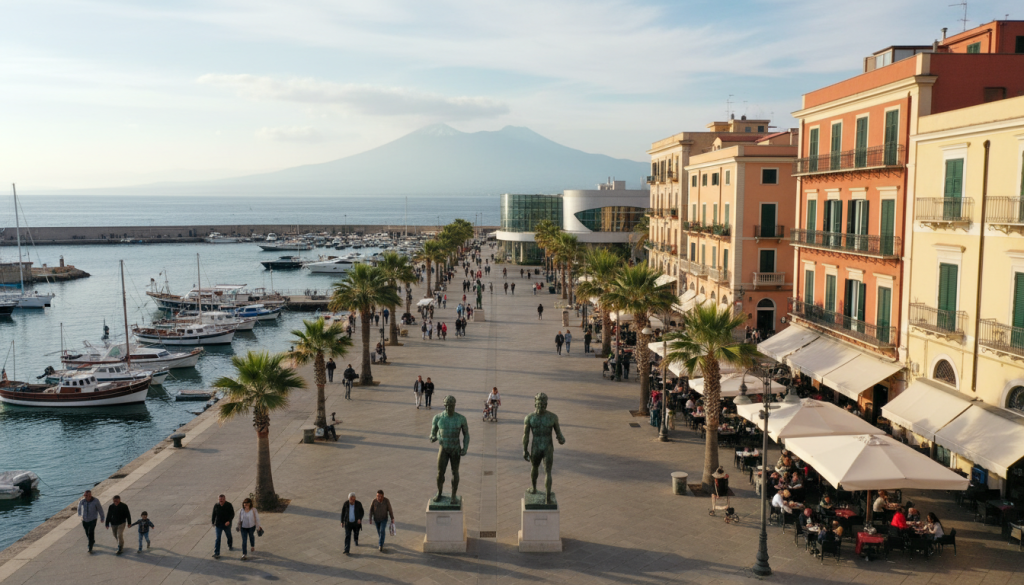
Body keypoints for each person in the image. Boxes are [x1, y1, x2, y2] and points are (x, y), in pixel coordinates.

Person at [77, 489, 105, 553]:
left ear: (91, 495)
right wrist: (80, 515)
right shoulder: (82, 501)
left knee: (90, 532)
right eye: (86, 495)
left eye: (89, 495)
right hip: (84, 519)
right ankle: (92, 540)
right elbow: (79, 508)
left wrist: (102, 517)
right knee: (87, 532)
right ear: (84, 495)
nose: (88, 496)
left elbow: (100, 509)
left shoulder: (95, 501)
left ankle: (90, 546)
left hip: (93, 519)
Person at [211, 494, 235, 559]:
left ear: (225, 499)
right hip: (218, 524)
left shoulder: (229, 505)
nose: (221, 501)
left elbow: (232, 514)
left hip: (226, 524)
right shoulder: (216, 505)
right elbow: (214, 514)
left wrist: (229, 521)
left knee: (228, 535)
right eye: (220, 500)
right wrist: (213, 522)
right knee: (218, 538)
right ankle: (216, 553)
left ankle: (230, 544)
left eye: (222, 499)